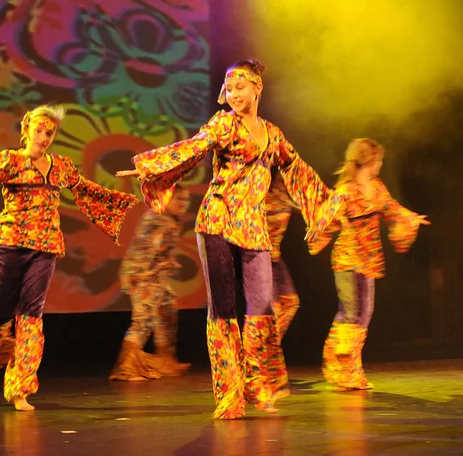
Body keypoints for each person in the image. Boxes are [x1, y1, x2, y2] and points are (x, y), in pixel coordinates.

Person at [117, 59, 328, 419]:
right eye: (229, 89)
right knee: (224, 311)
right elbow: (195, 147)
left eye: (239, 88)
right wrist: (153, 167)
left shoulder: (272, 134)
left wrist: (325, 204)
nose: (233, 95)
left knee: (261, 309)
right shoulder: (223, 123)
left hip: (253, 227)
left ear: (257, 88)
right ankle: (229, 393)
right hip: (216, 221)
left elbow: (298, 169)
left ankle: (258, 383)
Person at [0, 105, 138, 411]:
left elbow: (85, 188)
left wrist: (121, 198)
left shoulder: (60, 165)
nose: (44, 137)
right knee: (2, 310)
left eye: (50, 133)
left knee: (31, 314)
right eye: (39, 131)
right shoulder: (9, 160)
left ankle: (20, 387)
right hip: (10, 243)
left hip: (45, 247)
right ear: (26, 130)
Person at [306, 138, 430, 391]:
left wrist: (410, 218)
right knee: (352, 313)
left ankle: (347, 368)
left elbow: (392, 209)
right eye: (378, 160)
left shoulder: (377, 187)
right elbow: (325, 216)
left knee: (364, 314)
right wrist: (316, 231)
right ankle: (342, 369)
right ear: (369, 161)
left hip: (369, 257)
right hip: (348, 258)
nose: (380, 164)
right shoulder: (345, 191)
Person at [109, 185, 191, 381]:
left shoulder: (173, 220)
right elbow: (147, 249)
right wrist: (144, 274)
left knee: (167, 310)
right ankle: (125, 368)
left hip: (156, 274)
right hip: (142, 273)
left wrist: (168, 262)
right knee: (143, 319)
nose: (182, 204)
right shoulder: (155, 217)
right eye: (178, 200)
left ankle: (165, 360)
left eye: (185, 200)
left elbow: (163, 250)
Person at [265, 172, 301, 340]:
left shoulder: (283, 195)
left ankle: (267, 349)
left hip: (275, 258)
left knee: (290, 303)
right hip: (259, 257)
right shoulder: (259, 194)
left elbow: (307, 208)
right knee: (274, 308)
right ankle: (259, 353)